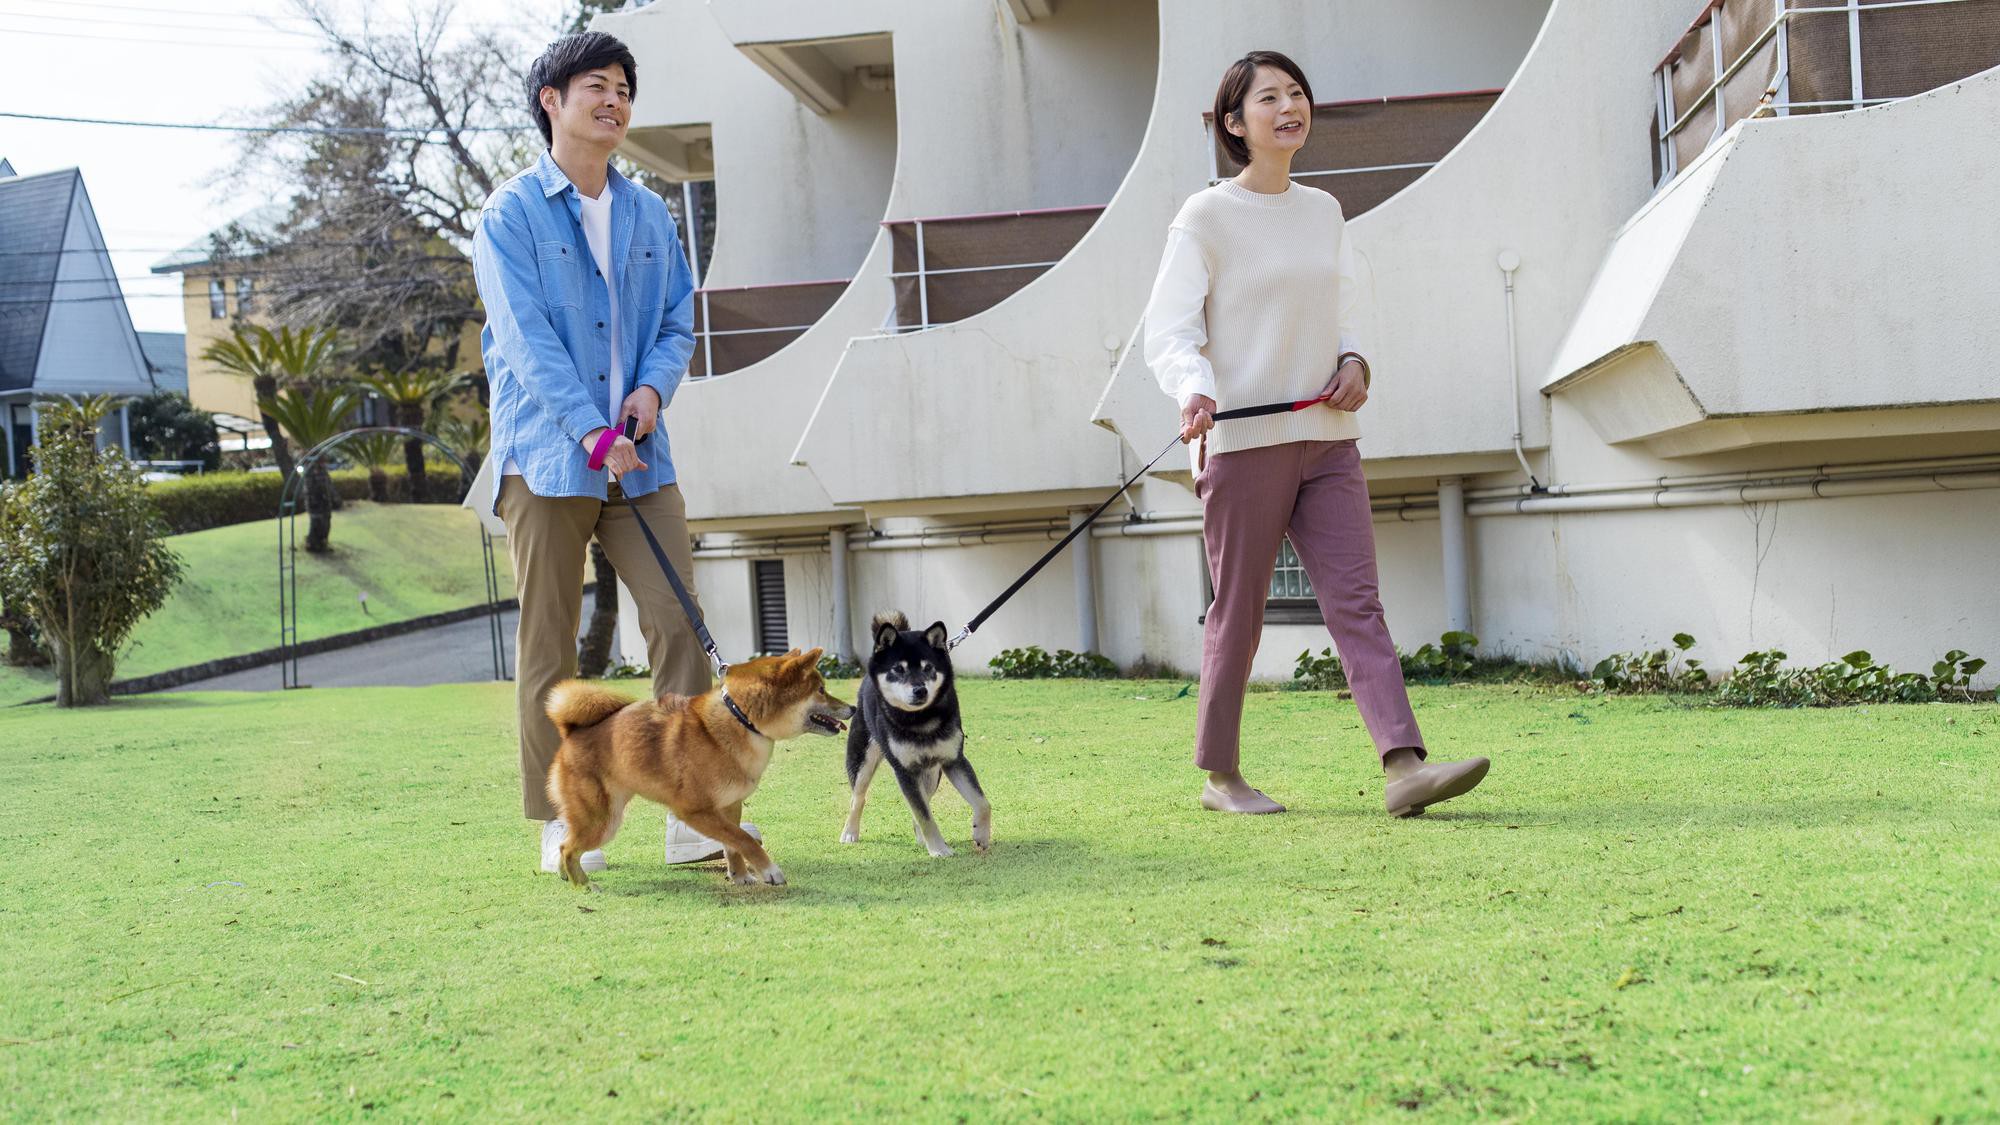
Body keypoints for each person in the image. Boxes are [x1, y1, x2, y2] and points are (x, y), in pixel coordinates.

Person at [1142, 50, 1490, 818]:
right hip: (1242, 443)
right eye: (1269, 97)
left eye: (1296, 93)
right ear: (1235, 123)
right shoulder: (1204, 217)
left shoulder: (1324, 210)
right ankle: (1221, 776)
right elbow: (1168, 329)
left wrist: (1356, 361)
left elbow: (1346, 309)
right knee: (1239, 613)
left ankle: (1404, 768)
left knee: (1357, 603)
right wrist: (1192, 386)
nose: (1289, 106)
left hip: (1328, 436)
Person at [472, 31, 756, 872]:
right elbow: (525, 343)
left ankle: (693, 812)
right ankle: (563, 818)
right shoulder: (510, 215)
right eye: (597, 85)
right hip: (547, 460)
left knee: (677, 621)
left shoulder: (649, 215)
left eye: (625, 89)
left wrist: (651, 393)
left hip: (642, 459)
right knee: (550, 647)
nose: (615, 101)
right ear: (551, 101)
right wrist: (590, 430)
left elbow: (676, 322)